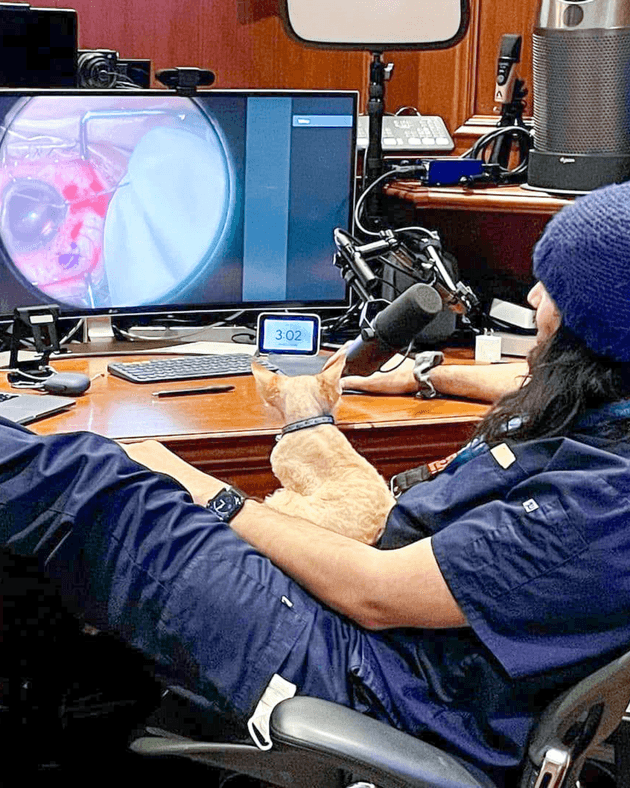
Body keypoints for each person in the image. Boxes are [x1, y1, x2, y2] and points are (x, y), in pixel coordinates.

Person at [1, 180, 630, 787]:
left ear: (594, 334)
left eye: (555, 291)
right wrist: (426, 376)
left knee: (96, 480)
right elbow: (538, 388)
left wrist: (207, 490)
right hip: (403, 651)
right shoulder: (607, 414)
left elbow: (376, 594)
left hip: (368, 676)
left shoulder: (598, 504)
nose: (536, 296)